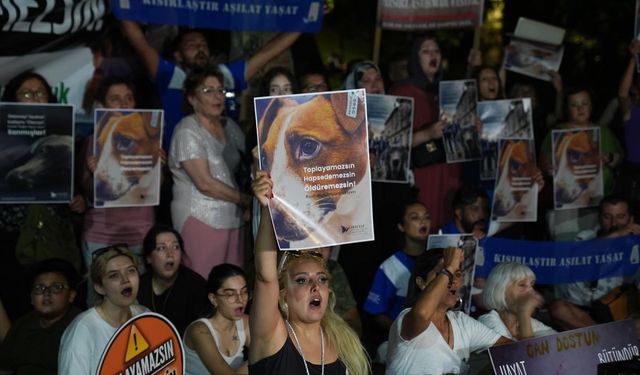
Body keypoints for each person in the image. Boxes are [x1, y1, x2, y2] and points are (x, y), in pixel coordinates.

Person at [249, 172, 370, 374]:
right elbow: (265, 276)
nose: (315, 286)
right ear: (283, 293)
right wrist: (267, 209)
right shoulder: (272, 335)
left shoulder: (343, 341)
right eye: (302, 280)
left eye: (322, 279)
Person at [120, 21, 301, 147]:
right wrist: (122, 7)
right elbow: (140, 43)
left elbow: (268, 53)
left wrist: (307, 21)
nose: (200, 48)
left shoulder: (223, 76)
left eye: (203, 45)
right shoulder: (170, 75)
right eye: (192, 45)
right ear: (178, 55)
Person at [0, 71, 85, 321]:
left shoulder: (67, 137)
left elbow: (77, 189)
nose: (34, 99)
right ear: (12, 99)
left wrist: (79, 200)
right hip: (9, 236)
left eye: (40, 93)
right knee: (16, 299)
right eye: (26, 93)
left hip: (51, 237)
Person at [169, 66, 251, 278]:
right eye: (208, 91)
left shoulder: (230, 126)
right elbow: (204, 183)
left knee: (232, 285)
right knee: (204, 284)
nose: (217, 97)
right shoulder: (187, 130)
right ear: (192, 98)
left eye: (220, 90)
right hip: (201, 219)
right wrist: (245, 200)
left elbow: (251, 160)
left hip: (234, 219)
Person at [386, 248, 509, 374]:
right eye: (442, 274)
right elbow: (422, 314)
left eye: (457, 274)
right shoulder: (405, 318)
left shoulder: (462, 323)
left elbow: (511, 349)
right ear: (421, 283)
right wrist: (449, 267)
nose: (453, 280)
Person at [81, 77, 160, 271]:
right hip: (101, 236)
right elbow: (88, 194)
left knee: (139, 298)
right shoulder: (93, 140)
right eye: (115, 98)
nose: (124, 104)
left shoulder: (150, 138)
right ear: (102, 104)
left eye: (129, 98)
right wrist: (95, 175)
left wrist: (158, 166)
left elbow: (158, 190)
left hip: (141, 234)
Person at [389, 35, 462, 232]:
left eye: (436, 51)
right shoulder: (402, 92)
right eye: (426, 51)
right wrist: (428, 134)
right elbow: (390, 143)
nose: (433, 55)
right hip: (422, 176)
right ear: (415, 58)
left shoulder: (449, 93)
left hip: (449, 177)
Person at [550, 195, 640, 330]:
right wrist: (620, 233)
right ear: (600, 218)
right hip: (582, 310)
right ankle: (609, 339)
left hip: (618, 311)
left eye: (620, 217)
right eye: (607, 217)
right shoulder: (586, 237)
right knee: (558, 308)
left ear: (631, 219)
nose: (614, 223)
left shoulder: (636, 245)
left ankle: (604, 338)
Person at [58, 245, 147, 374]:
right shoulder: (81, 331)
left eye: (131, 271)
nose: (126, 280)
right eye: (114, 275)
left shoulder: (145, 315)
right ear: (99, 287)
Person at [363, 202, 430, 341]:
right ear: (401, 226)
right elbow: (377, 312)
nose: (423, 221)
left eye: (426, 217)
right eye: (415, 218)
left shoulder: (437, 259)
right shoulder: (389, 267)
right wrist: (403, 331)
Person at [0, 259, 81, 374]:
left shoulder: (81, 327)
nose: (46, 293)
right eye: (39, 288)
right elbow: (4, 368)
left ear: (71, 295)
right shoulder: (22, 325)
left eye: (56, 287)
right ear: (32, 298)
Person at [539, 86, 623, 196]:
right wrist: (548, 167)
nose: (580, 109)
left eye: (585, 103)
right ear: (567, 109)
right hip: (566, 198)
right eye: (574, 105)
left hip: (601, 199)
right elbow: (543, 162)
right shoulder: (558, 131)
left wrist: (610, 157)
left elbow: (620, 159)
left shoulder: (604, 131)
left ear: (591, 105)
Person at [137, 225, 208, 335]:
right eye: (161, 248)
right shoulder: (139, 285)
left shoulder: (196, 286)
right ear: (149, 258)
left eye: (175, 247)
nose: (170, 254)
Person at [183, 263, 251, 374]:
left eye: (244, 292)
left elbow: (270, 351)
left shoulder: (245, 322)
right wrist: (259, 360)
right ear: (213, 299)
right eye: (230, 294)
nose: (240, 299)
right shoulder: (199, 331)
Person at [479, 262, 555, 340]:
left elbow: (561, 346)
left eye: (531, 285)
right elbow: (522, 351)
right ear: (500, 291)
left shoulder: (533, 323)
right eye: (522, 285)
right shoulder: (487, 322)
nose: (531, 291)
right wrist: (523, 313)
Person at [316, 247, 362, 337]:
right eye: (301, 280)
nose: (318, 250)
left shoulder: (333, 268)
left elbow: (352, 318)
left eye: (323, 279)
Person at [616, 39, 640, 210]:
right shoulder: (632, 113)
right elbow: (622, 94)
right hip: (635, 174)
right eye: (634, 93)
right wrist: (633, 58)